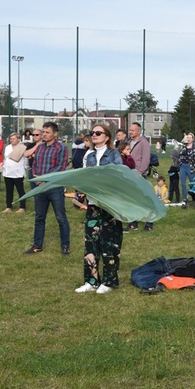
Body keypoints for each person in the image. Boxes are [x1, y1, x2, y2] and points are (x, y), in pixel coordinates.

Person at [74, 125, 125, 294]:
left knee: (109, 243)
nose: (94, 135)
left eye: (98, 133)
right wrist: (80, 193)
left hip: (109, 205)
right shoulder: (88, 155)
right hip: (93, 204)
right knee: (91, 242)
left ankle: (109, 281)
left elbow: (118, 177)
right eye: (92, 133)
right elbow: (84, 176)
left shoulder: (114, 154)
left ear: (107, 137)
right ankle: (92, 280)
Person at [25, 122, 70, 255]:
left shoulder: (61, 148)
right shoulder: (40, 147)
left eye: (47, 132)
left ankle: (65, 245)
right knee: (39, 217)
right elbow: (35, 164)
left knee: (61, 218)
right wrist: (37, 178)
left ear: (55, 134)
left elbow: (61, 167)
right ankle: (37, 245)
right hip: (40, 188)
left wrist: (45, 179)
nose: (44, 135)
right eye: (43, 132)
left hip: (54, 188)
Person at [126, 122, 153, 232]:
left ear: (138, 131)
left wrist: (140, 172)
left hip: (139, 175)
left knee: (144, 200)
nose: (130, 131)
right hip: (130, 174)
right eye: (130, 130)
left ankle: (149, 223)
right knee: (132, 200)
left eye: (132, 130)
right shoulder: (129, 142)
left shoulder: (143, 143)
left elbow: (146, 159)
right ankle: (133, 223)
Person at [1, 132, 27, 213]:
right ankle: (8, 206)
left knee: (20, 190)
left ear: (18, 139)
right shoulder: (8, 147)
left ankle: (22, 207)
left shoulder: (22, 147)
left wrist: (25, 168)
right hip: (8, 172)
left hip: (18, 172)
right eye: (11, 139)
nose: (12, 140)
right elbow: (5, 157)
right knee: (9, 190)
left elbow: (25, 160)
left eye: (14, 139)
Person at [178, 133, 195, 208]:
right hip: (183, 166)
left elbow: (191, 156)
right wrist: (184, 155)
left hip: (190, 167)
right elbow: (180, 154)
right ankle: (185, 198)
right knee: (183, 183)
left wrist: (184, 154)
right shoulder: (184, 146)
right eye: (188, 138)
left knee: (193, 184)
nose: (189, 139)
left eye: (190, 138)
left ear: (193, 139)